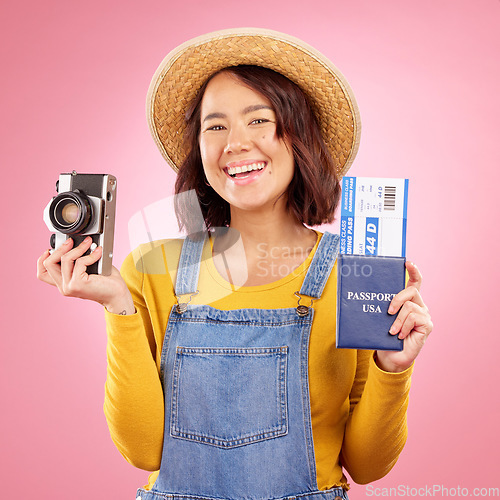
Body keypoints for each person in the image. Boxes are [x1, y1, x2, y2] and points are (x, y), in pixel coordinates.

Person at [37, 28, 433, 500]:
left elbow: (367, 466)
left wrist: (393, 367)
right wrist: (118, 306)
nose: (235, 143)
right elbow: (145, 452)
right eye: (216, 125)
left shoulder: (355, 276)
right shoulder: (150, 267)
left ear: (300, 136)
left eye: (259, 120)